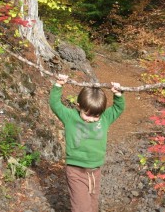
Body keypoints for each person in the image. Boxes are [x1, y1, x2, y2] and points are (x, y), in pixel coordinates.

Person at [49, 74, 125, 212]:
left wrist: (118, 95)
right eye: (87, 114)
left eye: (96, 116)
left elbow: (117, 109)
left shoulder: (105, 119)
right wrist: (59, 85)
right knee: (81, 208)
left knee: (92, 206)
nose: (91, 119)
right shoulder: (70, 117)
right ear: (79, 107)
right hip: (76, 171)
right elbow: (55, 104)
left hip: (95, 171)